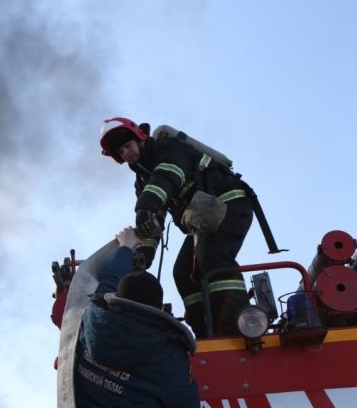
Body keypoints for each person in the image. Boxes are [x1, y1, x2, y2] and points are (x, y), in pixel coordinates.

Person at [49, 227, 200, 408]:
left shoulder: (87, 322)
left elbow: (103, 285)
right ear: (158, 311)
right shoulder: (169, 356)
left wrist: (125, 246)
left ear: (117, 298)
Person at [99, 117, 255, 338]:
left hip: (229, 204)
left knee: (211, 258)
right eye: (121, 151)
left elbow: (167, 176)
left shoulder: (168, 149)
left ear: (140, 139)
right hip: (203, 221)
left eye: (127, 145)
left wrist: (145, 206)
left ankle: (236, 326)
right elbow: (153, 220)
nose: (126, 152)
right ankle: (206, 334)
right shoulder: (144, 181)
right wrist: (144, 253)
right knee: (183, 273)